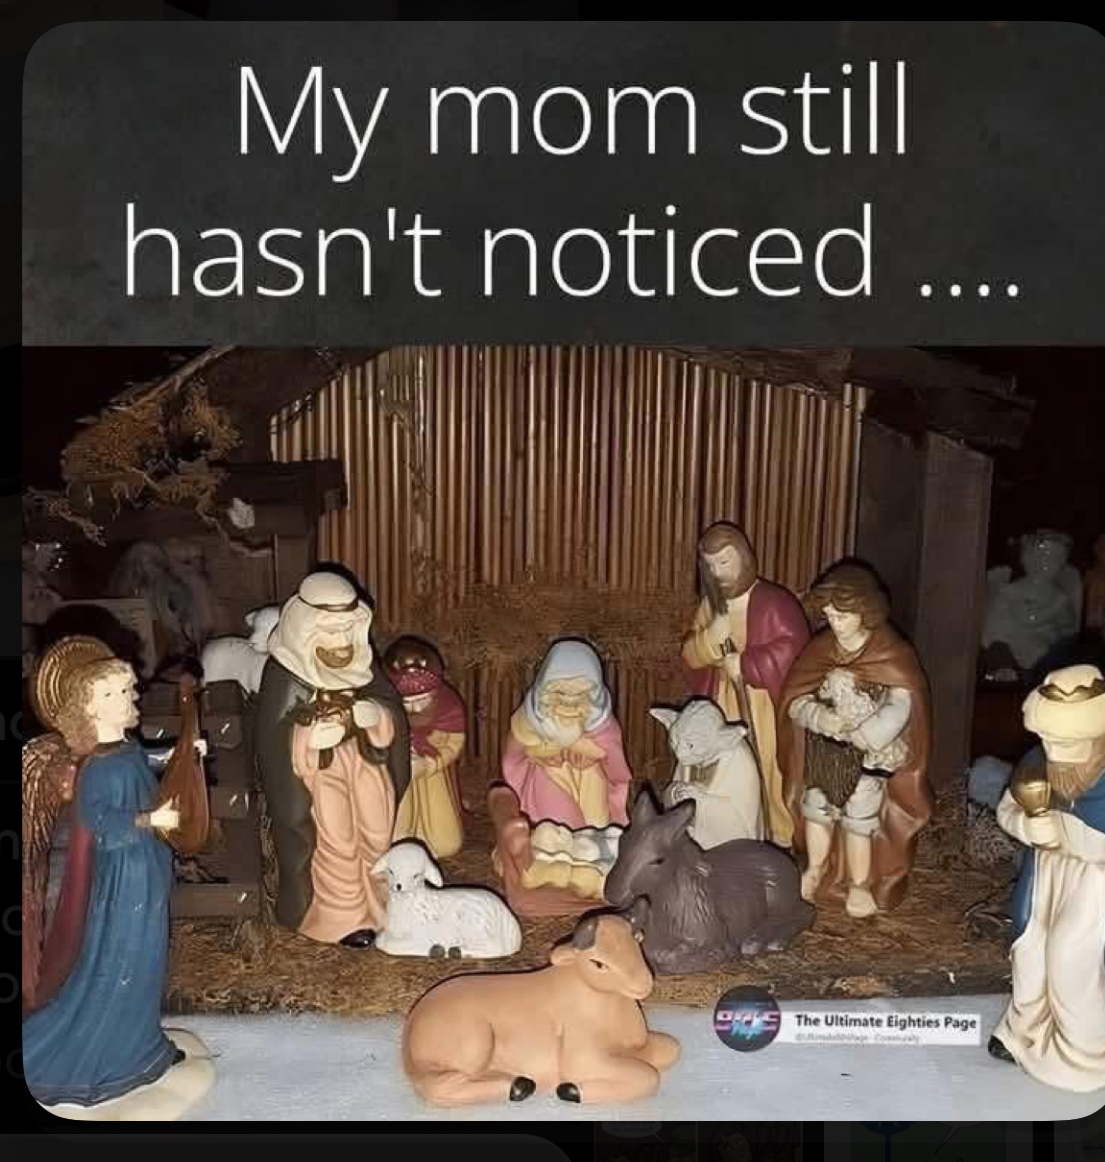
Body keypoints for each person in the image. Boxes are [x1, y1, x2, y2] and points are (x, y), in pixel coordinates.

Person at [21, 650, 213, 1117]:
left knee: (147, 962)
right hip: (124, 883)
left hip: (148, 871)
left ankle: (143, 1049)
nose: (133, 697)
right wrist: (150, 820)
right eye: (120, 693)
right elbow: (100, 825)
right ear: (93, 707)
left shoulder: (125, 750)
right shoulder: (95, 769)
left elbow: (146, 762)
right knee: (123, 962)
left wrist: (183, 753)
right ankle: (104, 1060)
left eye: (129, 689)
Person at [254, 571, 410, 947]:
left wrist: (375, 716)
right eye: (330, 631)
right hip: (319, 776)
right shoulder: (285, 672)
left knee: (377, 833)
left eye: (347, 629)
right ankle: (342, 916)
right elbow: (272, 738)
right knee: (336, 841)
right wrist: (307, 738)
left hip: (367, 764)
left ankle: (381, 904)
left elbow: (388, 706)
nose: (341, 642)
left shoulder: (363, 663)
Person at [778, 562, 932, 917]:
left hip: (868, 759)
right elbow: (796, 699)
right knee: (817, 809)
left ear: (866, 611)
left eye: (842, 616)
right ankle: (815, 868)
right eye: (830, 615)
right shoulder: (820, 651)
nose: (835, 624)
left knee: (859, 820)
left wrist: (866, 734)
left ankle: (861, 886)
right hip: (826, 753)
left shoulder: (892, 652)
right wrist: (821, 718)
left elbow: (902, 701)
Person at [989, 664, 1105, 1093]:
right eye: (1048, 738)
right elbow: (1008, 807)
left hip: (1094, 883)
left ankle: (1084, 1051)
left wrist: (1068, 834)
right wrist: (1026, 826)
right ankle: (1023, 1031)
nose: (1053, 749)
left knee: (1070, 956)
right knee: (1030, 950)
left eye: (1065, 742)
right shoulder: (1039, 762)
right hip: (1047, 875)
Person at [682, 522, 809, 846]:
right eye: (710, 565)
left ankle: (777, 833)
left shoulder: (775, 603)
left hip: (765, 706)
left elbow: (793, 651)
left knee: (767, 764)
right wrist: (709, 642)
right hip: (723, 701)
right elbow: (689, 656)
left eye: (724, 562)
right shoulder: (709, 607)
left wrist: (747, 664)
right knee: (726, 765)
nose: (718, 572)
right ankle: (730, 829)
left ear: (744, 557)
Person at [501, 639, 632, 829]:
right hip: (550, 776)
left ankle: (597, 838)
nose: (569, 702)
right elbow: (516, 754)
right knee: (562, 825)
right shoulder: (528, 720)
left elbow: (612, 755)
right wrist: (541, 751)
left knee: (597, 822)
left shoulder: (602, 722)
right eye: (561, 693)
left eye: (580, 695)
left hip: (590, 777)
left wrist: (588, 750)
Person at [386, 635, 466, 859]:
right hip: (398, 777)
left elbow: (454, 743)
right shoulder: (386, 713)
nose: (416, 709)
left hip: (434, 777)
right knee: (398, 831)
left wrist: (430, 764)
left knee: (447, 842)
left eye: (422, 699)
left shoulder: (449, 707)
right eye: (407, 703)